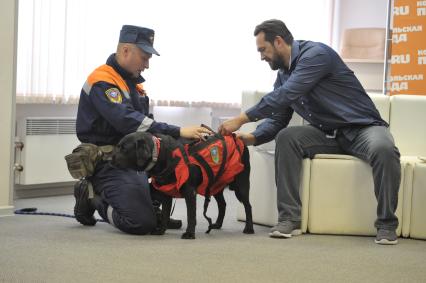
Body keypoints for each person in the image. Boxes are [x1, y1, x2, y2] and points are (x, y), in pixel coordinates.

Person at [219, 19, 401, 245]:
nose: (261, 56)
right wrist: (253, 137)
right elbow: (279, 117)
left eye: (263, 50)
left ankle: (386, 224)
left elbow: (285, 95)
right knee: (287, 138)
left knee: (384, 148)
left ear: (278, 42)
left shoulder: (316, 55)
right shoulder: (283, 75)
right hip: (326, 134)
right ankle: (289, 219)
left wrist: (241, 118)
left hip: (362, 128)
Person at [74, 25, 212, 235]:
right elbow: (129, 122)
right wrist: (178, 131)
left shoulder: (133, 85)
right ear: (126, 51)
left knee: (170, 161)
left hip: (134, 157)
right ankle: (93, 198)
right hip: (109, 160)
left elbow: (147, 126)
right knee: (139, 222)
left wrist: (183, 141)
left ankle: (153, 207)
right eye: (144, 57)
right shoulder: (103, 81)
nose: (147, 65)